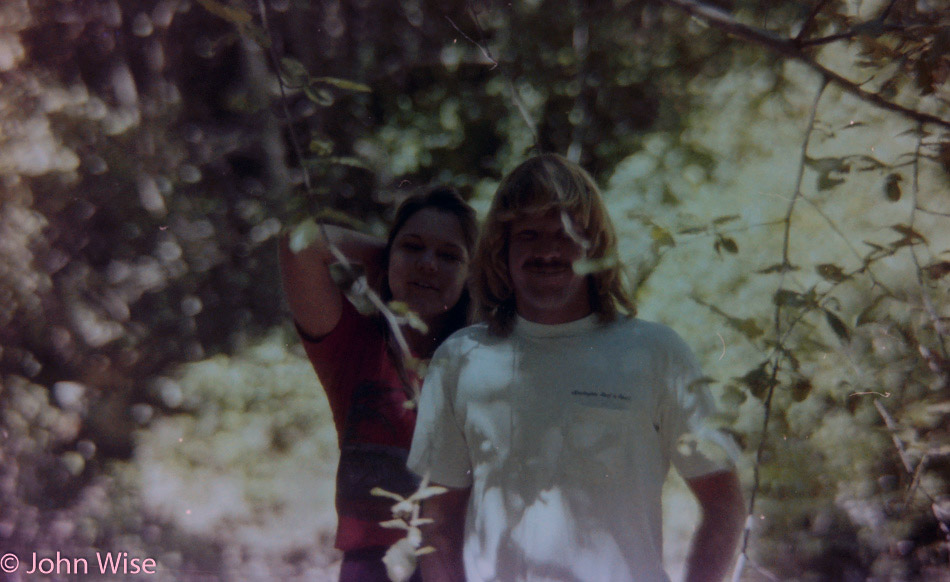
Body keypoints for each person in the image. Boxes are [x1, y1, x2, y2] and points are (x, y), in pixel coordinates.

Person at [407, 154, 745, 582]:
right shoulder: (460, 358)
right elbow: (438, 523)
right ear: (502, 250)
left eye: (566, 233)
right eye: (528, 234)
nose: (548, 249)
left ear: (595, 246)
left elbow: (725, 505)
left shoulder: (655, 351)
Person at [279, 186, 479, 582]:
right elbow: (297, 244)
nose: (428, 264)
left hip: (458, 565)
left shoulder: (482, 360)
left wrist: (404, 257)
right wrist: (388, 258)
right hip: (368, 570)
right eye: (413, 247)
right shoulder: (355, 348)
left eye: (448, 255)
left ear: (471, 273)